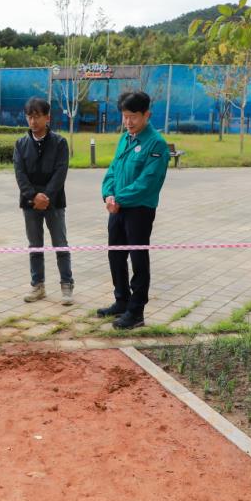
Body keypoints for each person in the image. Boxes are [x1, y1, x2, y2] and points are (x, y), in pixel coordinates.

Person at [98, 91, 169, 330]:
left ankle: (136, 311)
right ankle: (121, 300)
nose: (128, 122)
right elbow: (113, 169)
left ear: (146, 114)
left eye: (133, 117)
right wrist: (108, 193)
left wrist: (118, 198)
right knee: (115, 255)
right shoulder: (125, 138)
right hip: (117, 208)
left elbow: (147, 182)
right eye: (125, 116)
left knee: (138, 259)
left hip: (139, 210)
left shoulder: (155, 143)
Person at [13, 97, 74, 305]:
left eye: (37, 117)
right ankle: (37, 286)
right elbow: (20, 174)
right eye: (29, 117)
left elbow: (60, 172)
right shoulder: (21, 144)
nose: (33, 121)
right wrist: (33, 196)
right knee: (35, 245)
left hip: (54, 202)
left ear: (47, 117)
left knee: (60, 244)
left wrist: (46, 196)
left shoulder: (59, 142)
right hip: (30, 204)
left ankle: (67, 285)